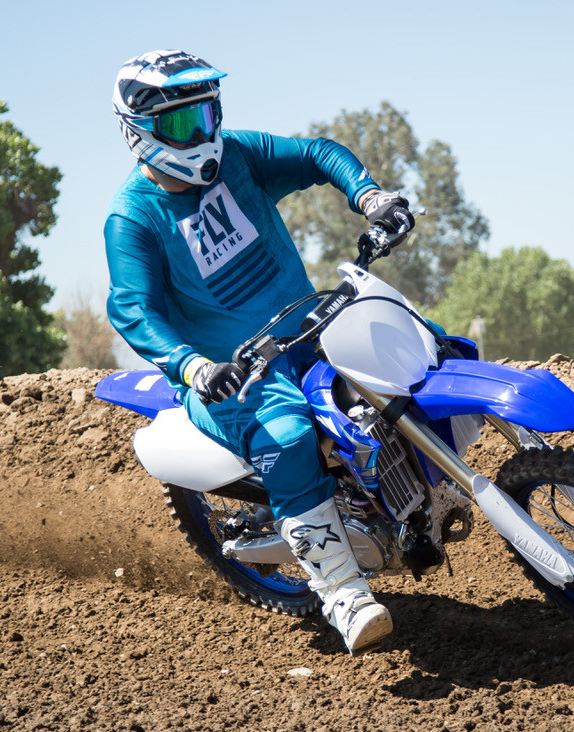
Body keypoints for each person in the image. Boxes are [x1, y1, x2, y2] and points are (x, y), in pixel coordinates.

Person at [104, 50, 414, 653]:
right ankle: (343, 593)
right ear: (137, 133)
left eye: (207, 113)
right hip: (233, 373)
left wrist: (371, 198)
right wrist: (194, 366)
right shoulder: (132, 219)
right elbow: (133, 310)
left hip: (309, 326)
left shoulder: (239, 157)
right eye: (181, 124)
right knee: (290, 439)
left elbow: (319, 153)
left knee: (409, 351)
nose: (203, 133)